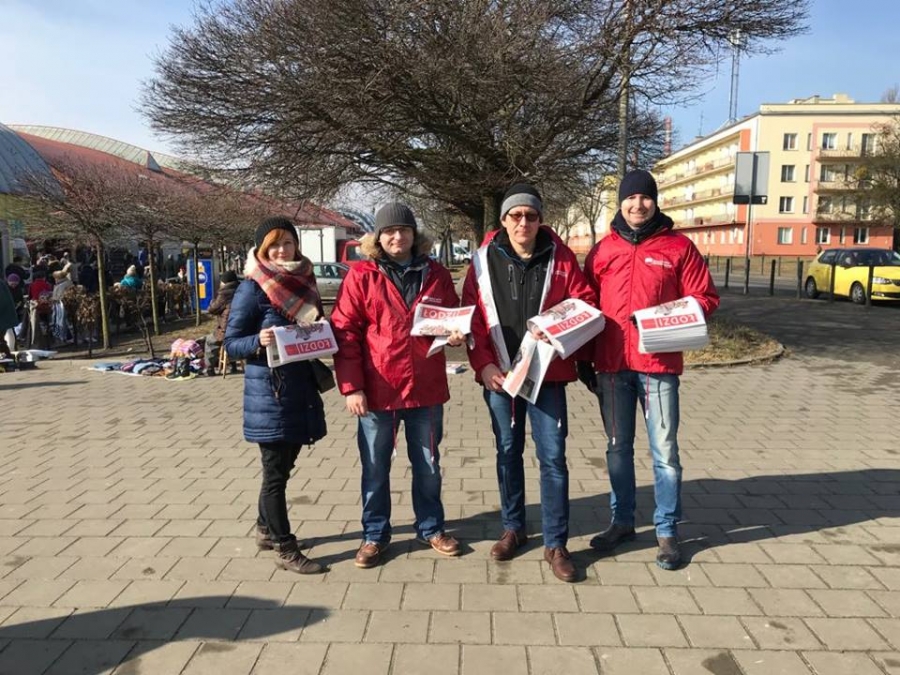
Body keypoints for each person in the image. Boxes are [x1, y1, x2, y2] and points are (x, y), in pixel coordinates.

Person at [581, 169, 720, 571]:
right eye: (630, 198)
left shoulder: (679, 247)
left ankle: (667, 530)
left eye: (645, 197)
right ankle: (622, 522)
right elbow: (585, 303)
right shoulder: (602, 250)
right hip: (611, 367)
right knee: (617, 449)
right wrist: (584, 358)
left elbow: (705, 298)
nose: (638, 204)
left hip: (657, 366)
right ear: (620, 203)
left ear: (655, 202)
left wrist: (665, 317)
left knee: (665, 452)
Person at [461, 183, 597, 583]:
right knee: (508, 452)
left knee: (553, 457)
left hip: (547, 377)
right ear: (504, 220)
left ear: (540, 220)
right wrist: (484, 365)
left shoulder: (561, 257)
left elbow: (585, 303)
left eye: (531, 215)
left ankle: (556, 543)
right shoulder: (482, 260)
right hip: (500, 377)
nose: (523, 222)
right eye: (516, 215)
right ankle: (513, 528)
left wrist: (556, 329)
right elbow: (471, 315)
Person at [331, 202, 464, 569]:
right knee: (375, 468)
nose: (397, 236)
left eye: (403, 229)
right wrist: (351, 387)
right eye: (389, 231)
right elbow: (345, 332)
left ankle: (431, 527)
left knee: (429, 465)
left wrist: (457, 334)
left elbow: (452, 316)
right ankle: (375, 534)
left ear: (413, 234)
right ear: (378, 237)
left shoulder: (435, 273)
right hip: (378, 389)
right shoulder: (362, 275)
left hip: (425, 387)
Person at [224, 216, 328, 575]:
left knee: (283, 468)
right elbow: (231, 343)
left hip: (300, 389)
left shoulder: (305, 280)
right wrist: (259, 340)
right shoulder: (252, 288)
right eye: (274, 245)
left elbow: (313, 328)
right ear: (262, 250)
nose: (282, 250)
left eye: (288, 243)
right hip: (270, 394)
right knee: (274, 475)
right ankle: (285, 548)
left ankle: (265, 528)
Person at [205, 270, 240, 375]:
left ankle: (209, 369)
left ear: (225, 282)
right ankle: (233, 365)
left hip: (226, 331)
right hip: (241, 329)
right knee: (231, 337)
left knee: (210, 341)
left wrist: (212, 301)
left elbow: (212, 309)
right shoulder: (241, 290)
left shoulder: (224, 293)